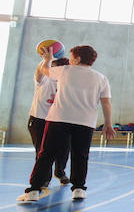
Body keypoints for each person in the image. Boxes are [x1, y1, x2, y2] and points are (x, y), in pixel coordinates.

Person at [18, 45, 115, 203]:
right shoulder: (101, 78)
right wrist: (108, 123)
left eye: (71, 57)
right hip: (85, 122)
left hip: (59, 119)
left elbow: (45, 70)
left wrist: (47, 60)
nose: (69, 60)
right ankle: (78, 189)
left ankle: (34, 191)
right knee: (80, 156)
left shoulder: (65, 70)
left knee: (46, 155)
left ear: (77, 59)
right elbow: (106, 103)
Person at [27, 56, 71, 187]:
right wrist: (47, 58)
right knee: (42, 151)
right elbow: (39, 70)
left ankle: (60, 171)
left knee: (64, 148)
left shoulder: (67, 84)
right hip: (39, 120)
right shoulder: (43, 80)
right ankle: (44, 178)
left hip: (59, 121)